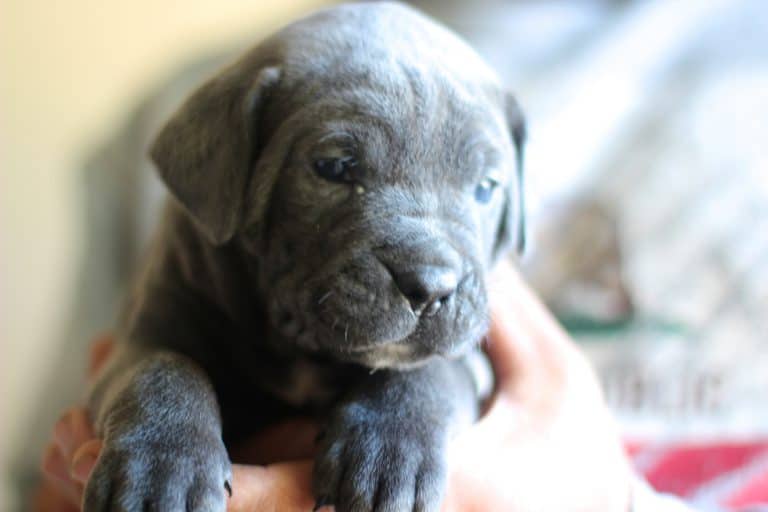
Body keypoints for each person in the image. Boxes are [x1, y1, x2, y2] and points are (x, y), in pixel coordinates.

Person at [36, 261, 689, 511]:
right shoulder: (196, 98)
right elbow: (50, 458)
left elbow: (456, 369)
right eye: (334, 168)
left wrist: (617, 504)